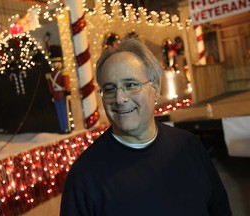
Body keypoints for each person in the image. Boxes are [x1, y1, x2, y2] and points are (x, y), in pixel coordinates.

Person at [60, 38, 232, 216]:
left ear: (156, 89)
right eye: (110, 89)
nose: (120, 98)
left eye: (131, 85)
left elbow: (219, 209)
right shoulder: (84, 176)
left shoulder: (189, 146)